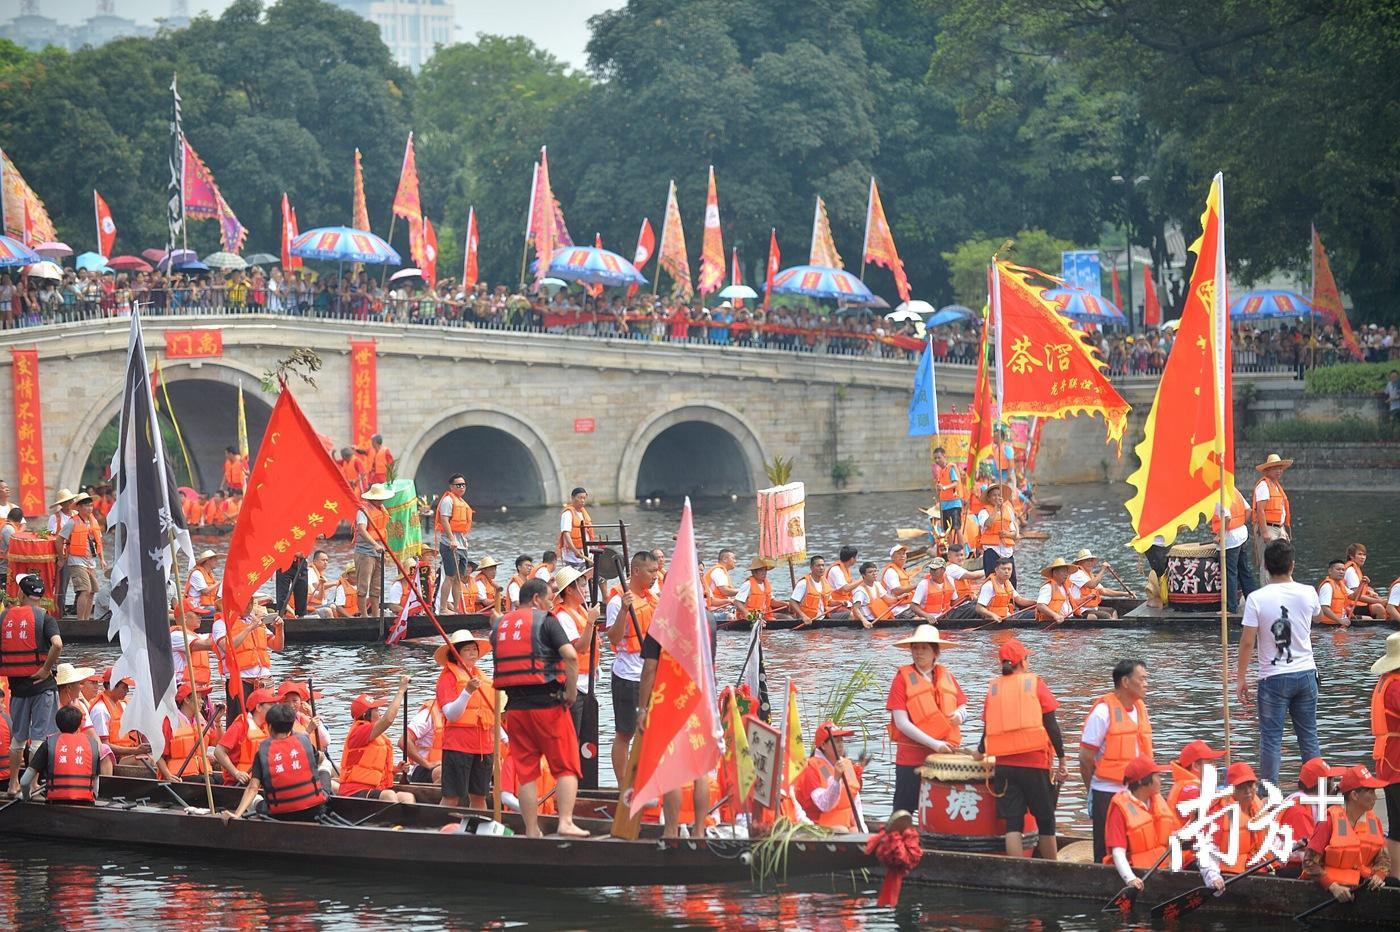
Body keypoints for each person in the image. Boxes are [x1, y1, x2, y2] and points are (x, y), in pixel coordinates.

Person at [491, 578, 589, 838]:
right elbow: (570, 655)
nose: (551, 605)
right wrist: (570, 692)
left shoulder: (500, 626)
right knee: (567, 766)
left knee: (526, 772)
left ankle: (532, 830)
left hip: (515, 710)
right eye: (548, 599)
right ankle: (565, 822)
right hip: (548, 704)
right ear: (536, 599)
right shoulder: (547, 621)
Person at [1237, 539, 1321, 788]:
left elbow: (1247, 642)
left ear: (1264, 566)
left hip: (1273, 677)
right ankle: (1317, 790)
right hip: (1306, 672)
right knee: (1308, 736)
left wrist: (1240, 678)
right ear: (1292, 565)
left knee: (1271, 739)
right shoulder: (1309, 592)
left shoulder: (1256, 598)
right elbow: (1316, 615)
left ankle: (1268, 797)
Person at [976, 639, 1065, 860]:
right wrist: (1062, 758)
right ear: (1023, 662)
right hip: (1034, 763)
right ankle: (1052, 869)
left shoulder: (994, 688)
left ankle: (1017, 869)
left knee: (1013, 823)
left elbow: (987, 730)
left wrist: (978, 752)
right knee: (1045, 819)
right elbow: (1051, 726)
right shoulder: (1035, 683)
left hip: (1004, 765)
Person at [885, 625, 966, 814]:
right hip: (911, 757)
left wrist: (959, 716)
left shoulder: (946, 675)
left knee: (940, 810)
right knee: (903, 810)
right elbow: (901, 723)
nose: (918, 652)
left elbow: (963, 706)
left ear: (935, 652)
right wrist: (934, 743)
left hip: (942, 758)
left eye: (924, 648)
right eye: (915, 648)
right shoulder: (902, 678)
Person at [1080, 658, 1153, 864]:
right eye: (1142, 679)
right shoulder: (1102, 712)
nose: (1146, 683)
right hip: (1107, 792)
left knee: (1135, 846)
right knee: (1106, 849)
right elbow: (1085, 758)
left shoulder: (1140, 709)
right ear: (1126, 682)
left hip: (1135, 793)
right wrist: (1092, 790)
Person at [1102, 757, 1211, 891]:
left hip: (1161, 865)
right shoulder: (1121, 808)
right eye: (1157, 776)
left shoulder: (1156, 801)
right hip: (1138, 869)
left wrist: (1193, 822)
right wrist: (1130, 878)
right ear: (1143, 781)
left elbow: (1172, 836)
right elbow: (1118, 852)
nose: (1161, 780)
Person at [3, 574, 62, 795]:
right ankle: (33, 783)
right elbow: (57, 644)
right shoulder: (45, 618)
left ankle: (12, 784)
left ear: (21, 593)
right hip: (42, 686)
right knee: (38, 736)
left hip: (17, 687)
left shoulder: (5, 618)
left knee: (18, 737)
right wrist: (46, 668)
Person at [225, 701, 331, 823]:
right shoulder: (305, 742)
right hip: (314, 811)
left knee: (256, 799)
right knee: (325, 764)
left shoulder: (262, 753)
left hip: (278, 815)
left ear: (269, 727)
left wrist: (237, 815)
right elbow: (320, 760)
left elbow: (252, 788)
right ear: (292, 727)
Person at [606, 550, 658, 785]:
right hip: (627, 675)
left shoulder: (651, 597)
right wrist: (625, 611)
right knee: (625, 733)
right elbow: (614, 640)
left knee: (650, 734)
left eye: (657, 571)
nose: (655, 575)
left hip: (651, 673)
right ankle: (623, 785)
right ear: (636, 571)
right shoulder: (618, 601)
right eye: (651, 571)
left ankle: (645, 781)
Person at [1303, 765, 1392, 902]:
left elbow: (1384, 859)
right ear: (1354, 795)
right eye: (1370, 792)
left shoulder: (1374, 821)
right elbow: (1309, 863)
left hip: (1362, 884)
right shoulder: (1328, 821)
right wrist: (1332, 887)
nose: (1375, 797)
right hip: (1334, 888)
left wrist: (1379, 875)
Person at [433, 629, 498, 809]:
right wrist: (467, 692)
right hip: (458, 746)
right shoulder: (448, 678)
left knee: (479, 797)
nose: (473, 653)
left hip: (483, 746)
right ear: (456, 654)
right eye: (467, 649)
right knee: (452, 797)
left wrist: (503, 735)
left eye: (474, 649)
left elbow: (491, 714)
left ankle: (478, 833)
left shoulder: (482, 678)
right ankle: (441, 831)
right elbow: (451, 714)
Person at [337, 679, 415, 803]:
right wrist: (400, 691)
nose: (380, 714)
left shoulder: (375, 735)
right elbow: (388, 720)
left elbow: (373, 767)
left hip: (375, 788)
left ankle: (409, 823)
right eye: (376, 710)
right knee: (388, 796)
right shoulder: (359, 731)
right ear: (365, 715)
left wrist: (396, 769)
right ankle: (391, 822)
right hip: (353, 792)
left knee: (407, 797)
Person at [212, 598, 284, 718]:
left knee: (268, 721)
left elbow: (277, 646)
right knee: (240, 720)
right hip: (241, 681)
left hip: (263, 681)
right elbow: (227, 646)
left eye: (251, 602)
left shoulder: (257, 621)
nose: (249, 605)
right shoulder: (221, 623)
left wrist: (279, 629)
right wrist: (249, 628)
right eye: (245, 602)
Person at [792, 720, 865, 831]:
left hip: (845, 823)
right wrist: (836, 780)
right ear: (823, 745)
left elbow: (856, 800)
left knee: (856, 830)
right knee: (842, 830)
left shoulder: (847, 764)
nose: (840, 745)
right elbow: (824, 805)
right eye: (836, 741)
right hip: (817, 825)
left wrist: (863, 830)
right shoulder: (813, 767)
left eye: (841, 741)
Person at [552, 566, 600, 735]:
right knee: (573, 736)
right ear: (570, 590)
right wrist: (591, 622)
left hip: (587, 681)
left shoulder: (581, 610)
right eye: (582, 586)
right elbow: (580, 647)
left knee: (587, 738)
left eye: (586, 585)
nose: (586, 590)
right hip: (573, 683)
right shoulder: (563, 616)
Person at [1276, 757, 1343, 877]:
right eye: (1332, 780)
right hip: (1291, 869)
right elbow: (1309, 854)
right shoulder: (1299, 811)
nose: (1335, 785)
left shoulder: (1311, 803)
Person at [1204, 762, 1274, 876]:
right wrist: (1212, 875)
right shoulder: (1219, 814)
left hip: (1255, 866)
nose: (1248, 791)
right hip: (1229, 872)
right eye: (1241, 787)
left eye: (1251, 785)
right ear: (1231, 790)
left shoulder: (1257, 807)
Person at [19, 705, 98, 805]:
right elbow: (95, 784)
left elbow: (24, 782)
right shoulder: (92, 744)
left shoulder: (48, 744)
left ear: (57, 724)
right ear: (79, 726)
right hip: (85, 803)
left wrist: (26, 797)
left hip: (55, 803)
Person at [1370, 631, 1400, 869]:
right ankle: (1396, 877)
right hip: (1396, 761)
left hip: (1387, 760)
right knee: (1398, 826)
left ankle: (1394, 877)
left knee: (1397, 824)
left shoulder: (1387, 681)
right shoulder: (1396, 687)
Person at [213, 688, 276, 786]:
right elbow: (218, 751)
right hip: (239, 783)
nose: (275, 708)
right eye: (271, 705)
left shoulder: (268, 727)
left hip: (260, 781)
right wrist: (236, 773)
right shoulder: (240, 726)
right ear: (258, 707)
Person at [59, 493, 106, 621]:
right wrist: (62, 557)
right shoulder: (72, 522)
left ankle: (86, 620)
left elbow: (99, 542)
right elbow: (60, 539)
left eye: (90, 505)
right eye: (86, 505)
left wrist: (102, 559)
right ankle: (80, 621)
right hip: (76, 561)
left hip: (90, 562)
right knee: (85, 590)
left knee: (92, 591)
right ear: (78, 507)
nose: (89, 508)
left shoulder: (93, 521)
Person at [1211, 484, 1257, 612]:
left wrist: (1220, 535)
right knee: (1244, 570)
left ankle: (1230, 607)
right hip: (1241, 534)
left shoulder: (1218, 494)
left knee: (1229, 573)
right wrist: (1239, 525)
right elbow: (1248, 511)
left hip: (1230, 538)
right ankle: (1253, 601)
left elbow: (1227, 517)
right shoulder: (1233, 490)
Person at [353, 483, 394, 616]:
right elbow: (362, 530)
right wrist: (374, 544)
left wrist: (382, 548)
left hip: (379, 552)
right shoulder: (363, 511)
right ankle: (364, 615)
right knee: (363, 585)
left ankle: (376, 615)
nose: (381, 500)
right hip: (365, 551)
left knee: (377, 586)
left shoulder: (382, 509)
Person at [157, 683, 212, 781]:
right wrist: (168, 776)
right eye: (199, 698)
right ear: (186, 700)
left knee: (220, 780)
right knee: (209, 781)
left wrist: (218, 721)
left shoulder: (199, 721)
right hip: (179, 776)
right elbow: (158, 754)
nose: (202, 702)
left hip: (200, 773)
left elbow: (217, 742)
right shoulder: (170, 722)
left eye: (202, 698)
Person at [436, 474, 474, 613]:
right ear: (451, 486)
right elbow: (445, 520)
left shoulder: (462, 502)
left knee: (459, 577)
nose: (462, 487)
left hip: (461, 544)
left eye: (464, 484)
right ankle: (443, 608)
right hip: (449, 544)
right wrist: (452, 539)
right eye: (459, 485)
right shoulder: (448, 500)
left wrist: (463, 539)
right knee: (450, 576)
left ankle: (457, 609)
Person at [1165, 740, 1226, 814]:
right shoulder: (1188, 791)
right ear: (1196, 766)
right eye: (1210, 762)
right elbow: (1209, 803)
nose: (1215, 766)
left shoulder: (1187, 784)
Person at [976, 484, 1019, 585]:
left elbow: (1014, 533)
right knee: (992, 580)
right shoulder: (984, 512)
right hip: (992, 550)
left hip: (1007, 551)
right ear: (989, 498)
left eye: (999, 495)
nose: (997, 497)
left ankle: (1011, 600)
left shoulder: (1007, 510)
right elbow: (987, 524)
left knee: (1012, 581)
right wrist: (996, 509)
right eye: (994, 495)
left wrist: (1007, 534)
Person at [1068, 549, 1129, 618]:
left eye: (1091, 560)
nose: (1090, 563)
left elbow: (1103, 591)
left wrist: (1124, 594)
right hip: (1080, 609)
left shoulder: (1089, 575)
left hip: (1092, 608)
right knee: (1106, 616)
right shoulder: (1077, 573)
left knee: (1112, 611)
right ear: (1080, 563)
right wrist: (1103, 570)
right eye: (1086, 560)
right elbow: (1092, 585)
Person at [974, 557, 1036, 623]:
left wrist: (1036, 602)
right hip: (994, 620)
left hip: (1008, 617)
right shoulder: (989, 586)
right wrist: (993, 616)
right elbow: (979, 608)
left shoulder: (1008, 583)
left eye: (1009, 569)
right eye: (1003, 569)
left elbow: (1020, 600)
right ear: (996, 570)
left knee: (1035, 613)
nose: (1006, 572)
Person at [1252, 453, 1293, 546]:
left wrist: (1284, 530)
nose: (1279, 471)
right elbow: (1260, 510)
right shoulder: (1263, 485)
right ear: (1267, 470)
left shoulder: (1276, 486)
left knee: (1282, 559)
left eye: (1280, 468)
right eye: (1275, 468)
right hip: (1269, 528)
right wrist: (1265, 532)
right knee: (1267, 559)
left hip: (1279, 528)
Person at [1342, 543, 1388, 621]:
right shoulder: (1350, 571)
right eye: (1359, 554)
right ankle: (1381, 630)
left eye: (1364, 555)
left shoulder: (1355, 568)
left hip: (1358, 604)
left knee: (1387, 601)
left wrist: (1369, 592)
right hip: (1350, 606)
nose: (1363, 557)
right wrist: (1379, 601)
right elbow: (1356, 596)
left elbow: (1359, 590)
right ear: (1351, 556)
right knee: (1379, 608)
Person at [789, 555, 838, 626]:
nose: (821, 568)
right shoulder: (804, 583)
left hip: (823, 618)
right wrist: (804, 616)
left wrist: (841, 602)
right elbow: (792, 601)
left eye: (823, 565)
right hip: (808, 621)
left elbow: (829, 602)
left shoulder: (825, 582)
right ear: (811, 568)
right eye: (818, 566)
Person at [932, 446, 965, 547]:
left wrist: (944, 487)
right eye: (935, 458)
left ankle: (961, 551)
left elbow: (955, 482)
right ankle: (950, 551)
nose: (937, 460)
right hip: (944, 505)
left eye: (939, 457)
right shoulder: (940, 472)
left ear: (944, 456)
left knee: (957, 528)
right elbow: (940, 489)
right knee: (947, 531)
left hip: (954, 504)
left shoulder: (950, 468)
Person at [910, 558, 958, 623]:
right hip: (929, 620)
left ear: (943, 570)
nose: (932, 572)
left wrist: (967, 598)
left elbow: (954, 602)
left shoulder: (950, 580)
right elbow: (913, 606)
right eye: (931, 569)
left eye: (935, 569)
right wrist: (927, 616)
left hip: (946, 617)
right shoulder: (923, 584)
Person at [851, 561, 897, 629]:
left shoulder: (877, 584)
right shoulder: (860, 591)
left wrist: (899, 598)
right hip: (869, 624)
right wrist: (864, 621)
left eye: (875, 571)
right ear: (863, 575)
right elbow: (855, 608)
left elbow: (888, 600)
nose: (874, 574)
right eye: (870, 572)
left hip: (879, 621)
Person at [557, 487, 592, 569]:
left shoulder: (583, 513)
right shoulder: (567, 514)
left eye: (584, 498)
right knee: (575, 580)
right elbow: (566, 533)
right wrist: (574, 550)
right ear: (572, 498)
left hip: (586, 555)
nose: (582, 500)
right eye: (580, 498)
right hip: (572, 557)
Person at [1034, 558, 1077, 625]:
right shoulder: (1048, 587)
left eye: (1066, 571)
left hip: (1069, 619)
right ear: (1055, 573)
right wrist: (1055, 615)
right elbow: (1040, 605)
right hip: (1055, 621)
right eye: (1063, 571)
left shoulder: (1066, 588)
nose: (1066, 574)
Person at [704, 549, 740, 622]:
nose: (735, 561)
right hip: (715, 609)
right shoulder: (718, 571)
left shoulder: (721, 571)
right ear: (725, 559)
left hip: (722, 606)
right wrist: (743, 591)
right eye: (733, 558)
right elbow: (725, 591)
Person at [185, 550, 222, 619]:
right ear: (208, 561)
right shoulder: (197, 573)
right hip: (196, 607)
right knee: (220, 611)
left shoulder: (210, 574)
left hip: (208, 605)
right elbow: (204, 591)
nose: (217, 562)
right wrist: (218, 583)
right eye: (214, 560)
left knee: (226, 607)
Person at [880, 546, 917, 614]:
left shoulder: (902, 571)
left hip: (906, 606)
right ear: (892, 557)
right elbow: (897, 591)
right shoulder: (891, 571)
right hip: (896, 610)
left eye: (903, 553)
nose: (902, 556)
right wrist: (915, 586)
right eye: (899, 554)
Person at [1317, 559, 1353, 627]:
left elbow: (1354, 596)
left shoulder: (1341, 585)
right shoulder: (1327, 587)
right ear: (1330, 571)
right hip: (1328, 626)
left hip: (1340, 623)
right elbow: (1324, 608)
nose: (1341, 572)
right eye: (1338, 569)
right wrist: (1340, 621)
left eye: (1343, 570)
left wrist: (1362, 584)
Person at [824, 546, 859, 613]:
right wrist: (862, 579)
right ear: (852, 559)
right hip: (835, 604)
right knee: (854, 614)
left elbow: (852, 585)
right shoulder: (836, 570)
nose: (857, 559)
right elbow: (846, 588)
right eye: (857, 557)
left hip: (845, 601)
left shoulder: (846, 568)